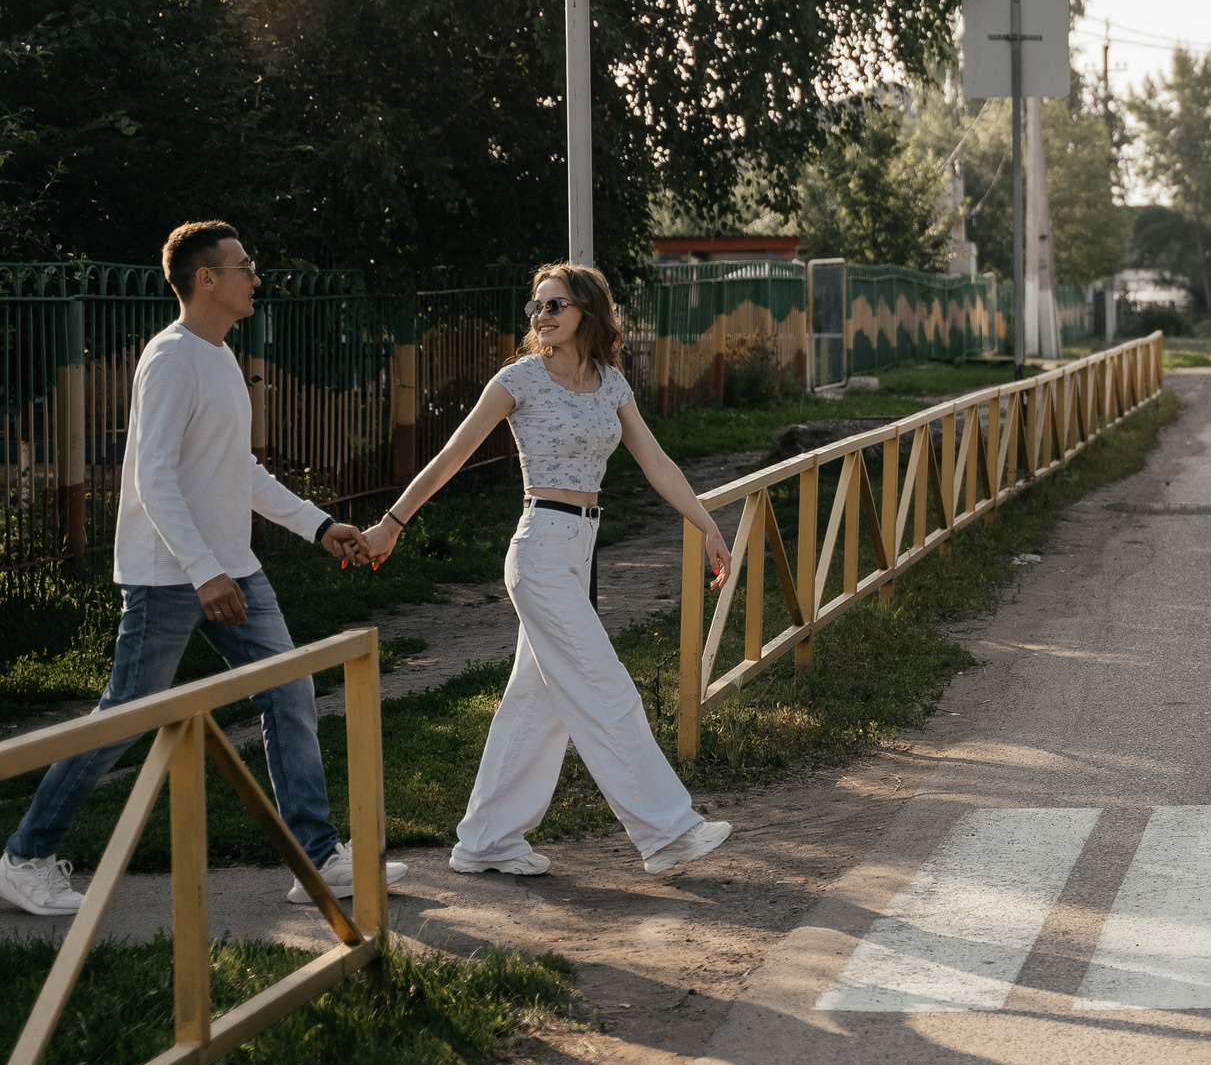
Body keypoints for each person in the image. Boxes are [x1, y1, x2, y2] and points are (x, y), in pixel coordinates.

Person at [0, 222, 411, 918]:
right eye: (244, 265)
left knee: (289, 691)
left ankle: (316, 857)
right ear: (206, 279)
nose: (256, 274)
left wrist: (316, 523)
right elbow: (152, 476)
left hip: (231, 567)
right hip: (170, 574)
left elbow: (239, 471)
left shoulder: (220, 357)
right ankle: (23, 857)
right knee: (123, 717)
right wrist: (201, 571)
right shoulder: (170, 359)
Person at [361, 263, 736, 878]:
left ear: (587, 309)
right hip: (539, 550)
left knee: (537, 704)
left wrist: (706, 524)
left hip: (579, 545)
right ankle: (667, 831)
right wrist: (392, 523)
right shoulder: (520, 379)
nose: (542, 317)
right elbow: (452, 455)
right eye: (535, 307)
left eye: (555, 305)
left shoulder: (610, 383)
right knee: (603, 682)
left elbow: (656, 461)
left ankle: (486, 839)